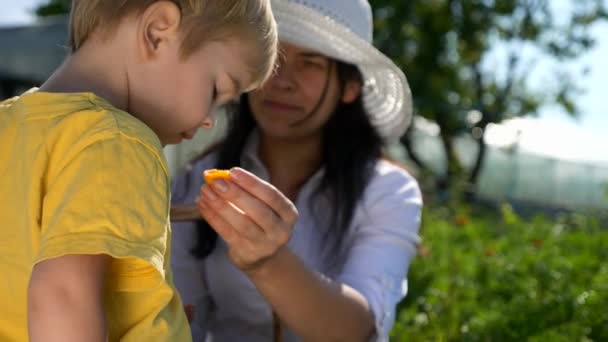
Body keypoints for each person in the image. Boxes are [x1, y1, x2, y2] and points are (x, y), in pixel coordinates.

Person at [0, 1, 278, 341]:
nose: (209, 120)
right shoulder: (120, 142)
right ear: (157, 31)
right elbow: (62, 295)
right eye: (217, 90)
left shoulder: (10, 127)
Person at [170, 0, 423, 341]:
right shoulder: (199, 178)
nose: (282, 80)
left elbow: (360, 329)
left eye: (311, 63)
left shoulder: (387, 190)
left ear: (350, 87)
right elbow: (183, 320)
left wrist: (268, 262)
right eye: (273, 54)